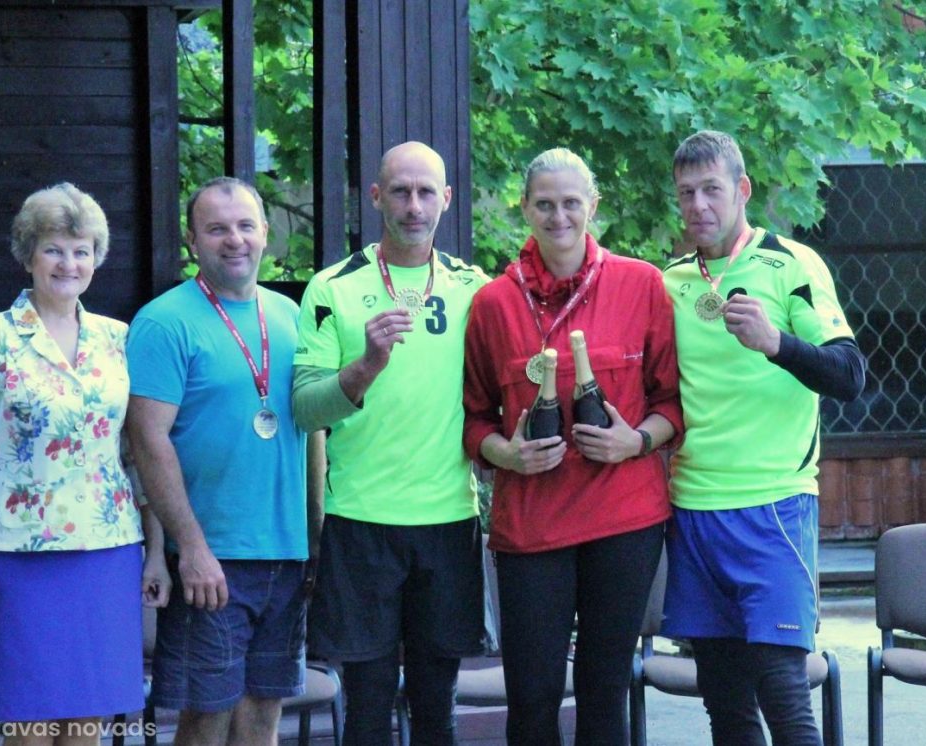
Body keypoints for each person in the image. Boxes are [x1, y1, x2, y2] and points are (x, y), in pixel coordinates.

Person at [463, 148, 682, 745]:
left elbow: (672, 403)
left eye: (570, 203)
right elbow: (474, 420)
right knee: (532, 698)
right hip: (531, 525)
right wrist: (506, 454)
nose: (558, 216)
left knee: (604, 691)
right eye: (544, 204)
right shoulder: (493, 303)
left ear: (593, 206)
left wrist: (635, 440)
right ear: (524, 209)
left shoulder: (642, 284)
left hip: (624, 520)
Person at [660, 130, 866, 746]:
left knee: (783, 695)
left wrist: (776, 343)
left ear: (743, 190)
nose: (699, 205)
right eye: (687, 193)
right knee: (724, 706)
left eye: (712, 190)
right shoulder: (669, 281)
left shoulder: (792, 264)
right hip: (694, 509)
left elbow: (850, 375)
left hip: (774, 506)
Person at [292, 141, 489, 745]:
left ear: (447, 199)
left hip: (448, 518)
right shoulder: (331, 287)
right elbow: (304, 409)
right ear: (374, 198)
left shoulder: (475, 288)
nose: (414, 205)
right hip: (361, 522)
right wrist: (366, 366)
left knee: (437, 709)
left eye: (426, 192)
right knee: (368, 708)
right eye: (400, 191)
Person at [0, 182, 144, 744]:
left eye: (81, 250)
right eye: (54, 249)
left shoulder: (117, 338)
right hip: (19, 558)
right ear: (28, 255)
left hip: (107, 552)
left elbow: (137, 451)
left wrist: (155, 552)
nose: (68, 263)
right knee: (28, 726)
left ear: (96, 258)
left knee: (87, 727)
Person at [125, 177, 323, 746]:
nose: (233, 240)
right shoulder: (163, 322)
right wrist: (189, 548)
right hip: (211, 556)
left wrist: (315, 538)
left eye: (244, 226)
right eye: (216, 229)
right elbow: (148, 441)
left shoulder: (290, 315)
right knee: (205, 718)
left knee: (263, 716)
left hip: (285, 554)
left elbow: (313, 427)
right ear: (192, 241)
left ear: (265, 235)